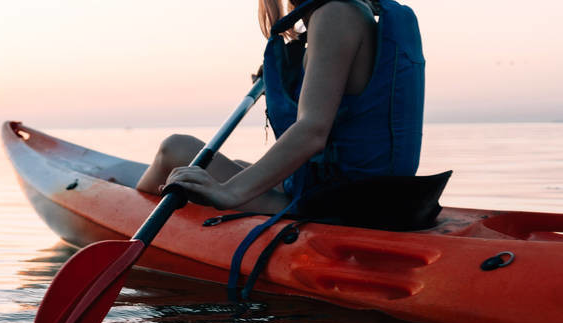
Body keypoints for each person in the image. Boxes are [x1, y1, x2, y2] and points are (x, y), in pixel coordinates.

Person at [135, 0, 425, 215]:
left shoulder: (335, 14)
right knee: (232, 165)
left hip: (338, 206)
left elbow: (312, 131)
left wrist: (229, 193)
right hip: (355, 195)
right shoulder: (352, 12)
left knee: (175, 149)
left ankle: (126, 207)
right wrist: (278, 77)